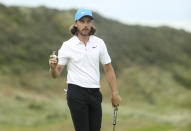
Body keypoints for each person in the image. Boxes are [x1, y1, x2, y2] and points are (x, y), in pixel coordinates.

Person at [49, 8, 121, 131]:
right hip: (76, 93)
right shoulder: (68, 45)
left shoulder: (99, 43)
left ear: (92, 23)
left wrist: (115, 93)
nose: (85, 25)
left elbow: (108, 69)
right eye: (82, 21)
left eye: (88, 21)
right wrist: (52, 67)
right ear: (76, 23)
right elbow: (56, 74)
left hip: (95, 93)